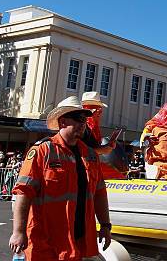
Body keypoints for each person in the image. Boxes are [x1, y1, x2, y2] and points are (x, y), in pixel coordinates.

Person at [9, 96, 111, 260]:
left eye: (85, 119)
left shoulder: (91, 155)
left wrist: (106, 225)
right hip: (45, 239)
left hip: (76, 239)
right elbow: (23, 192)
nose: (83, 123)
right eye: (78, 118)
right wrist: (18, 232)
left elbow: (100, 193)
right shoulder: (42, 151)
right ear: (63, 122)